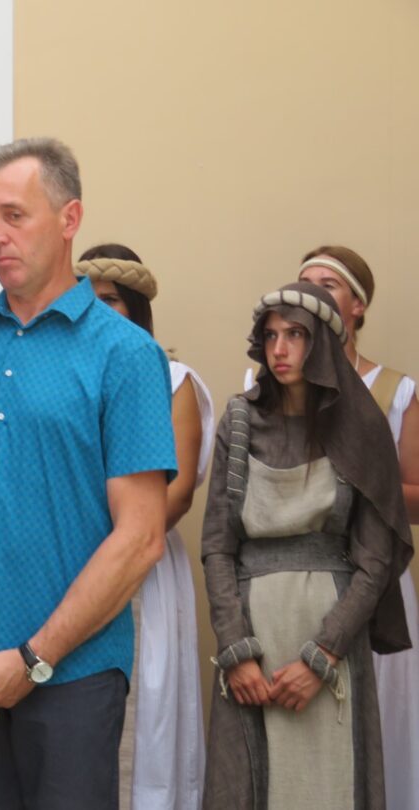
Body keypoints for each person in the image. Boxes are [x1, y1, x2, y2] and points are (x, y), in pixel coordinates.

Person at [0, 138, 177, 810]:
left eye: (14, 216)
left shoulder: (125, 355)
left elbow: (141, 536)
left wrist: (33, 660)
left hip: (74, 677)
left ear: (69, 218)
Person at [201, 282, 412, 809]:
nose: (280, 349)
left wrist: (322, 656)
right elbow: (218, 546)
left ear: (322, 344)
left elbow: (374, 563)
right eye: (271, 336)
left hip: (329, 641)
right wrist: (236, 653)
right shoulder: (240, 421)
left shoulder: (361, 427)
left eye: (295, 335)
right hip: (253, 642)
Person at [77, 243, 211, 810]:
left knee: (146, 713)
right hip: (69, 567)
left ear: (136, 308)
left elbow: (173, 495)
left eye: (110, 299)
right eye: (87, 298)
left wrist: (115, 543)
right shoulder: (64, 374)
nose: (98, 309)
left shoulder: (172, 379)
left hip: (144, 567)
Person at [297, 246, 419, 810]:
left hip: (376, 581)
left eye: (329, 284)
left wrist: (353, 487)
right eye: (305, 283)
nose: (314, 293)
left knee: (380, 726)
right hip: (296, 577)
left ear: (358, 305)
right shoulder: (272, 382)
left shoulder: (396, 390)